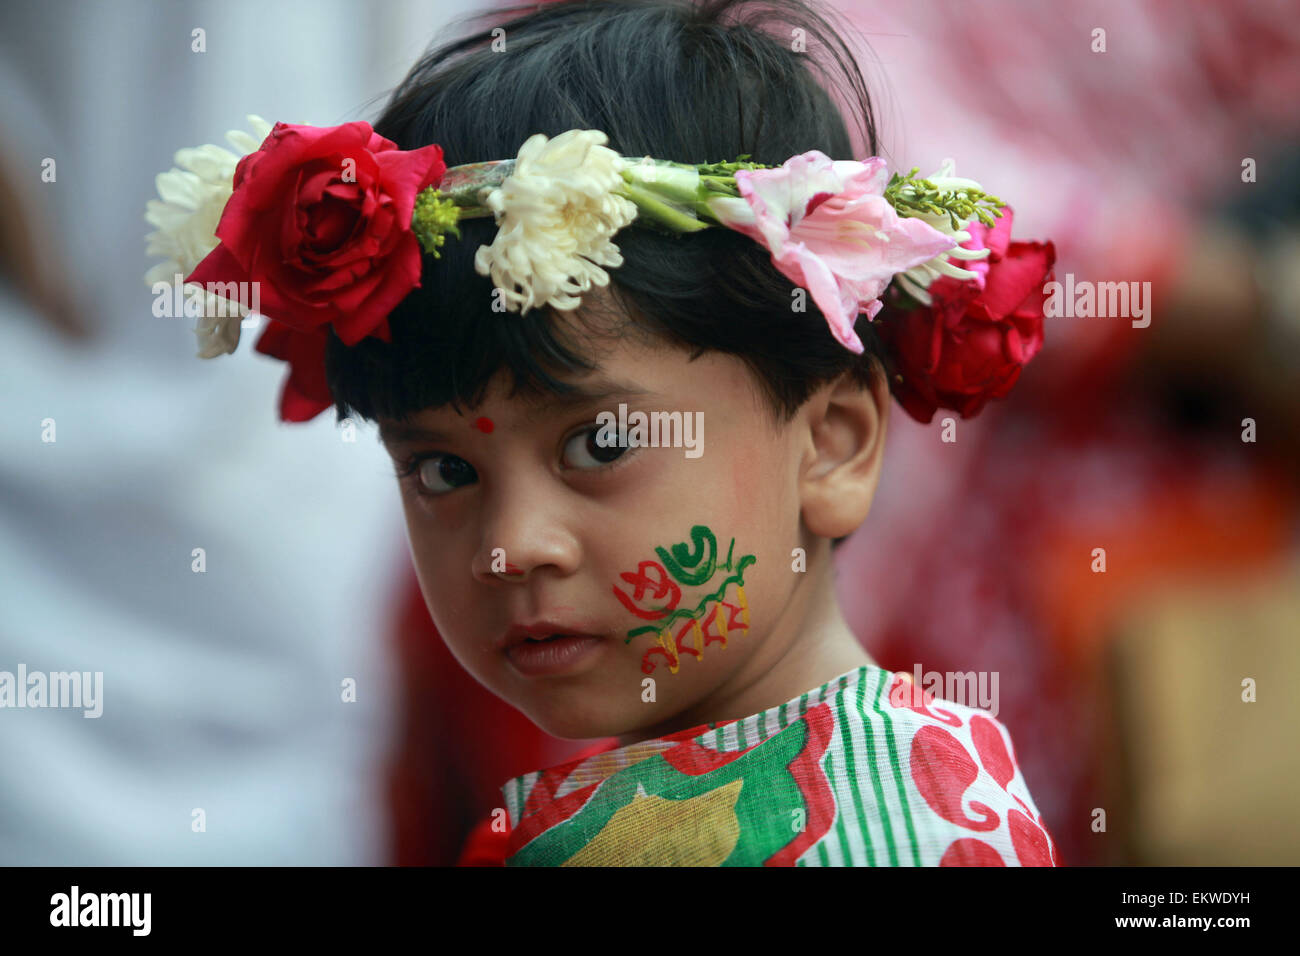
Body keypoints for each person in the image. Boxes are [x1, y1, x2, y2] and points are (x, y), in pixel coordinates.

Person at [147, 0, 1060, 866]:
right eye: (441, 469)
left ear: (832, 442)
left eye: (601, 445)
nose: (510, 548)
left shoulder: (886, 836)